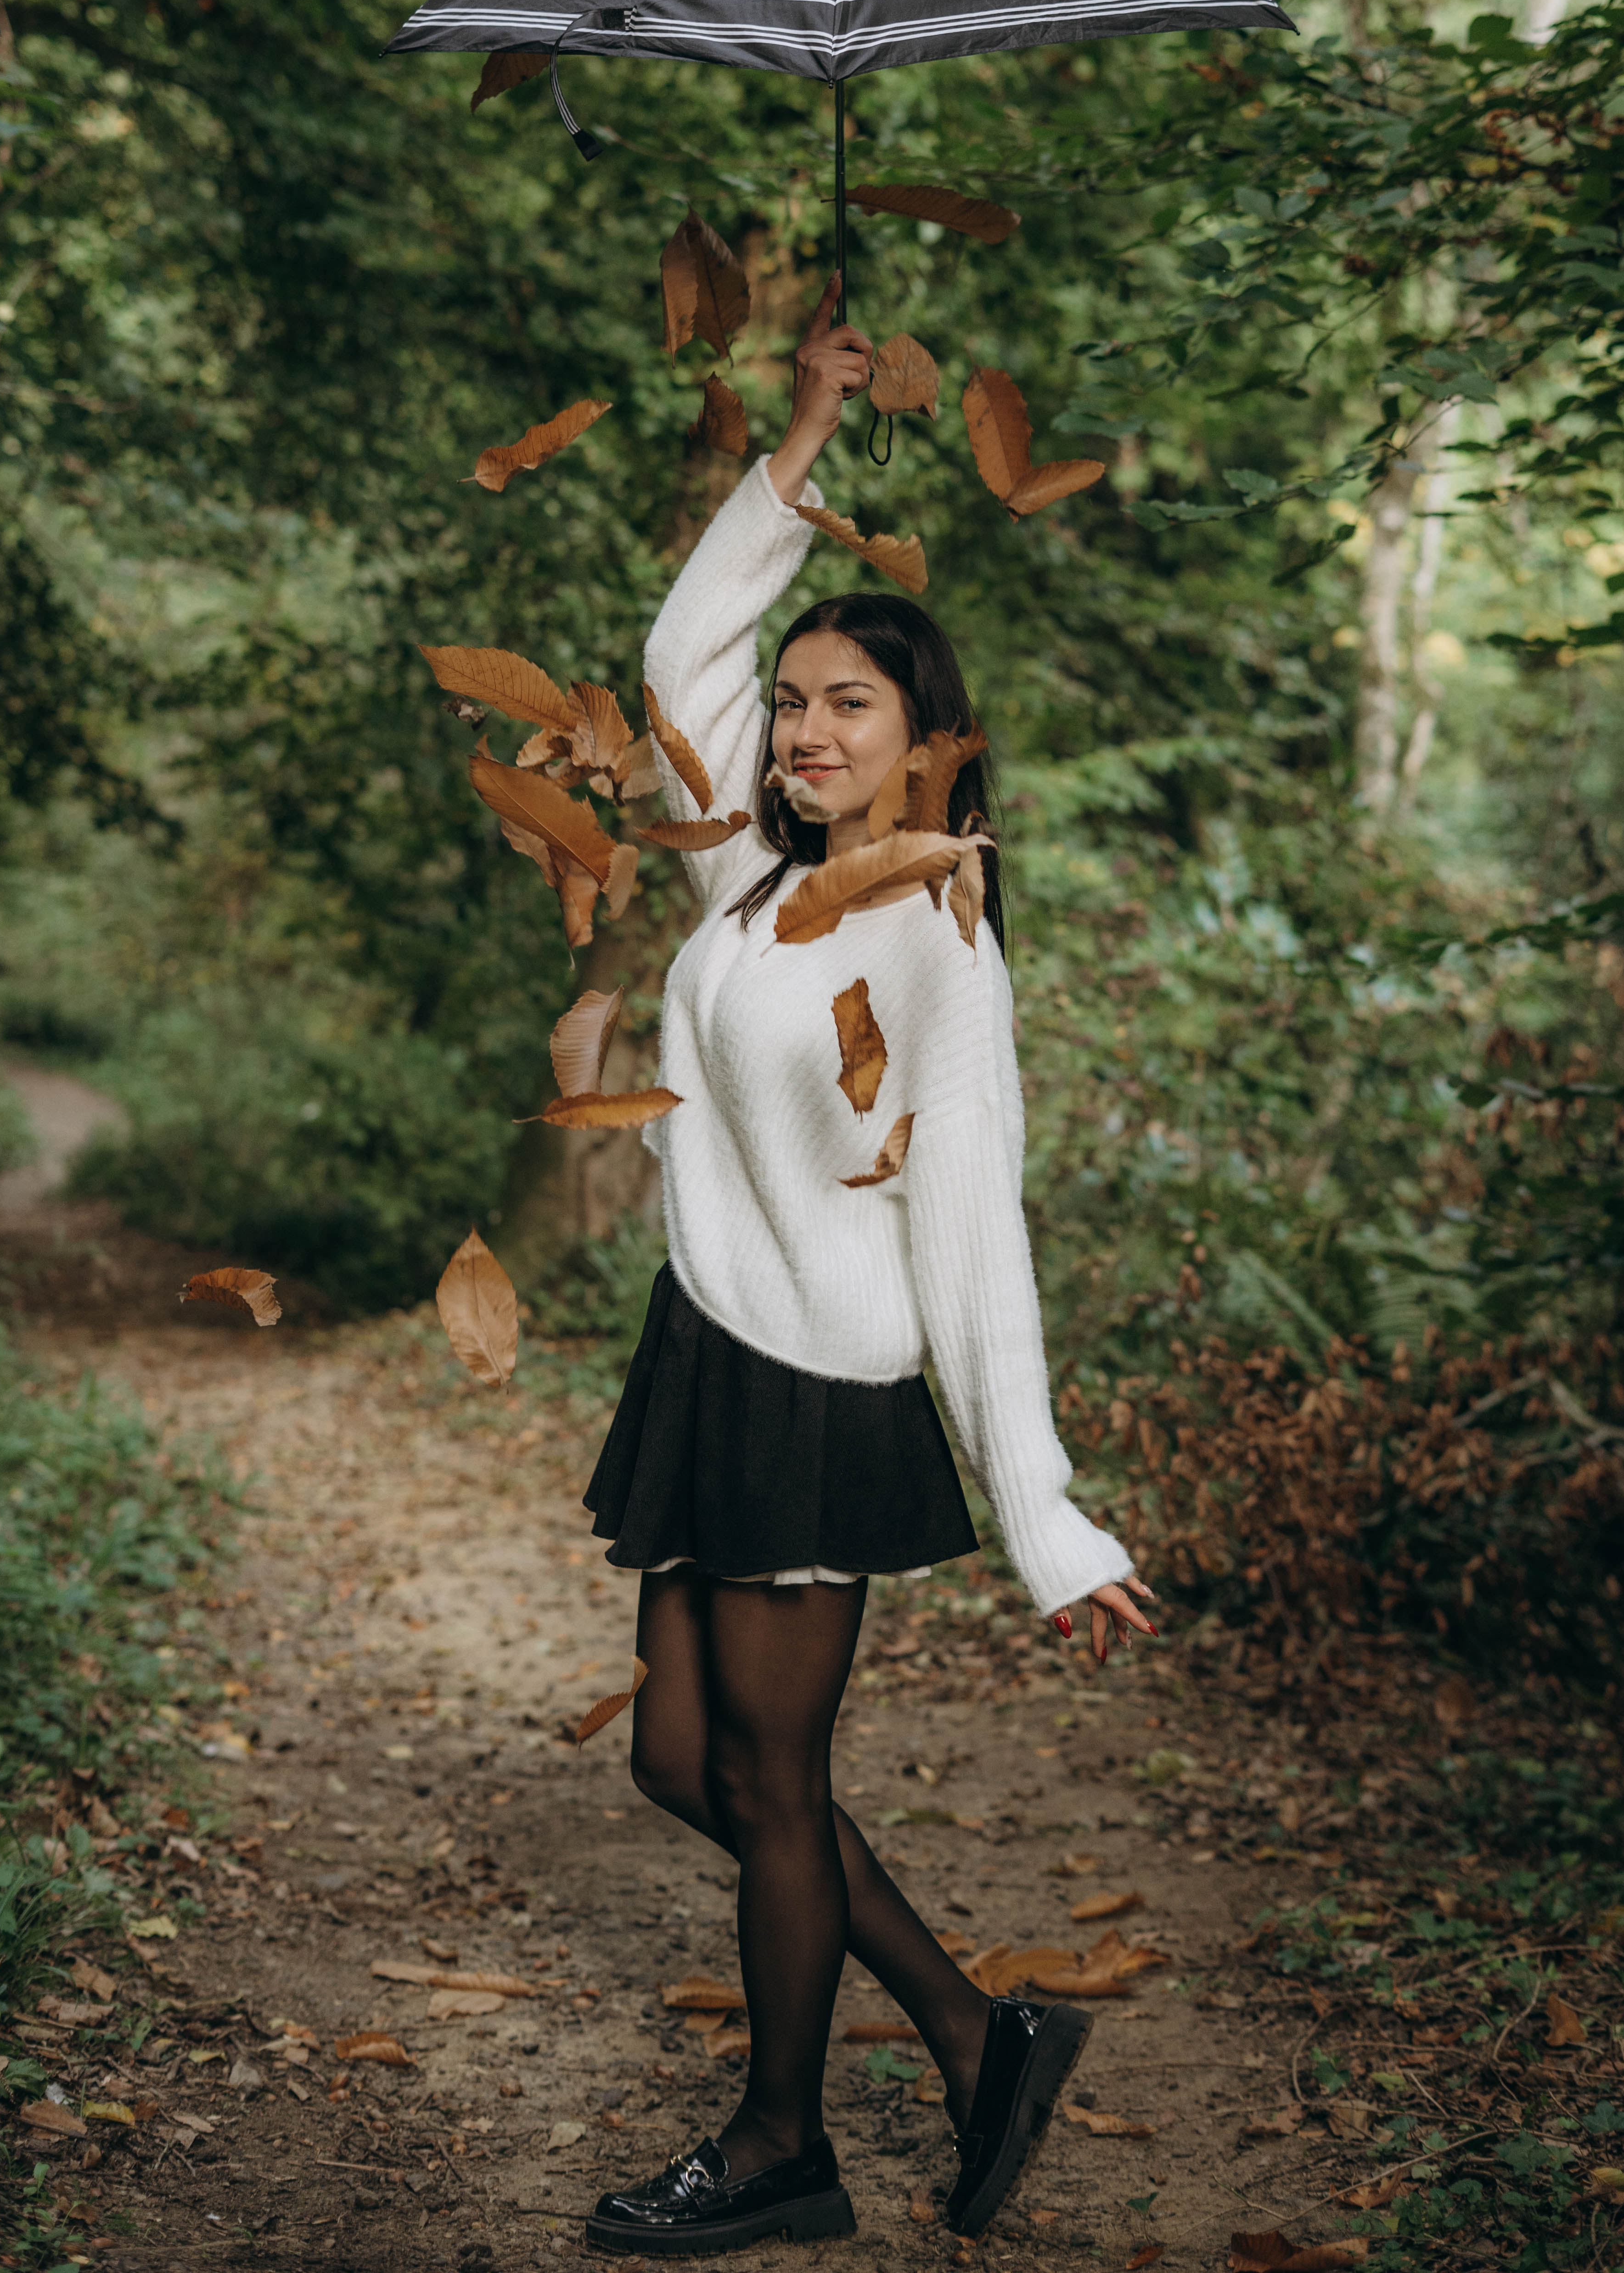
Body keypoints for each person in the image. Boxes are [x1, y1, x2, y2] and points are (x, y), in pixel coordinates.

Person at [580, 281, 1157, 2258]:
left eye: (854, 707)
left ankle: (778, 2146)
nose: (808, 730)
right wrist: (804, 442)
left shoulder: (935, 941)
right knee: (684, 1760)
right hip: (710, 1352)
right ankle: (977, 2031)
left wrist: (1045, 1517)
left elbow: (973, 1231)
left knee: (768, 1773)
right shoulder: (749, 878)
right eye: (799, 701)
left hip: (819, 1391)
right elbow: (680, 656)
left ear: (929, 741)